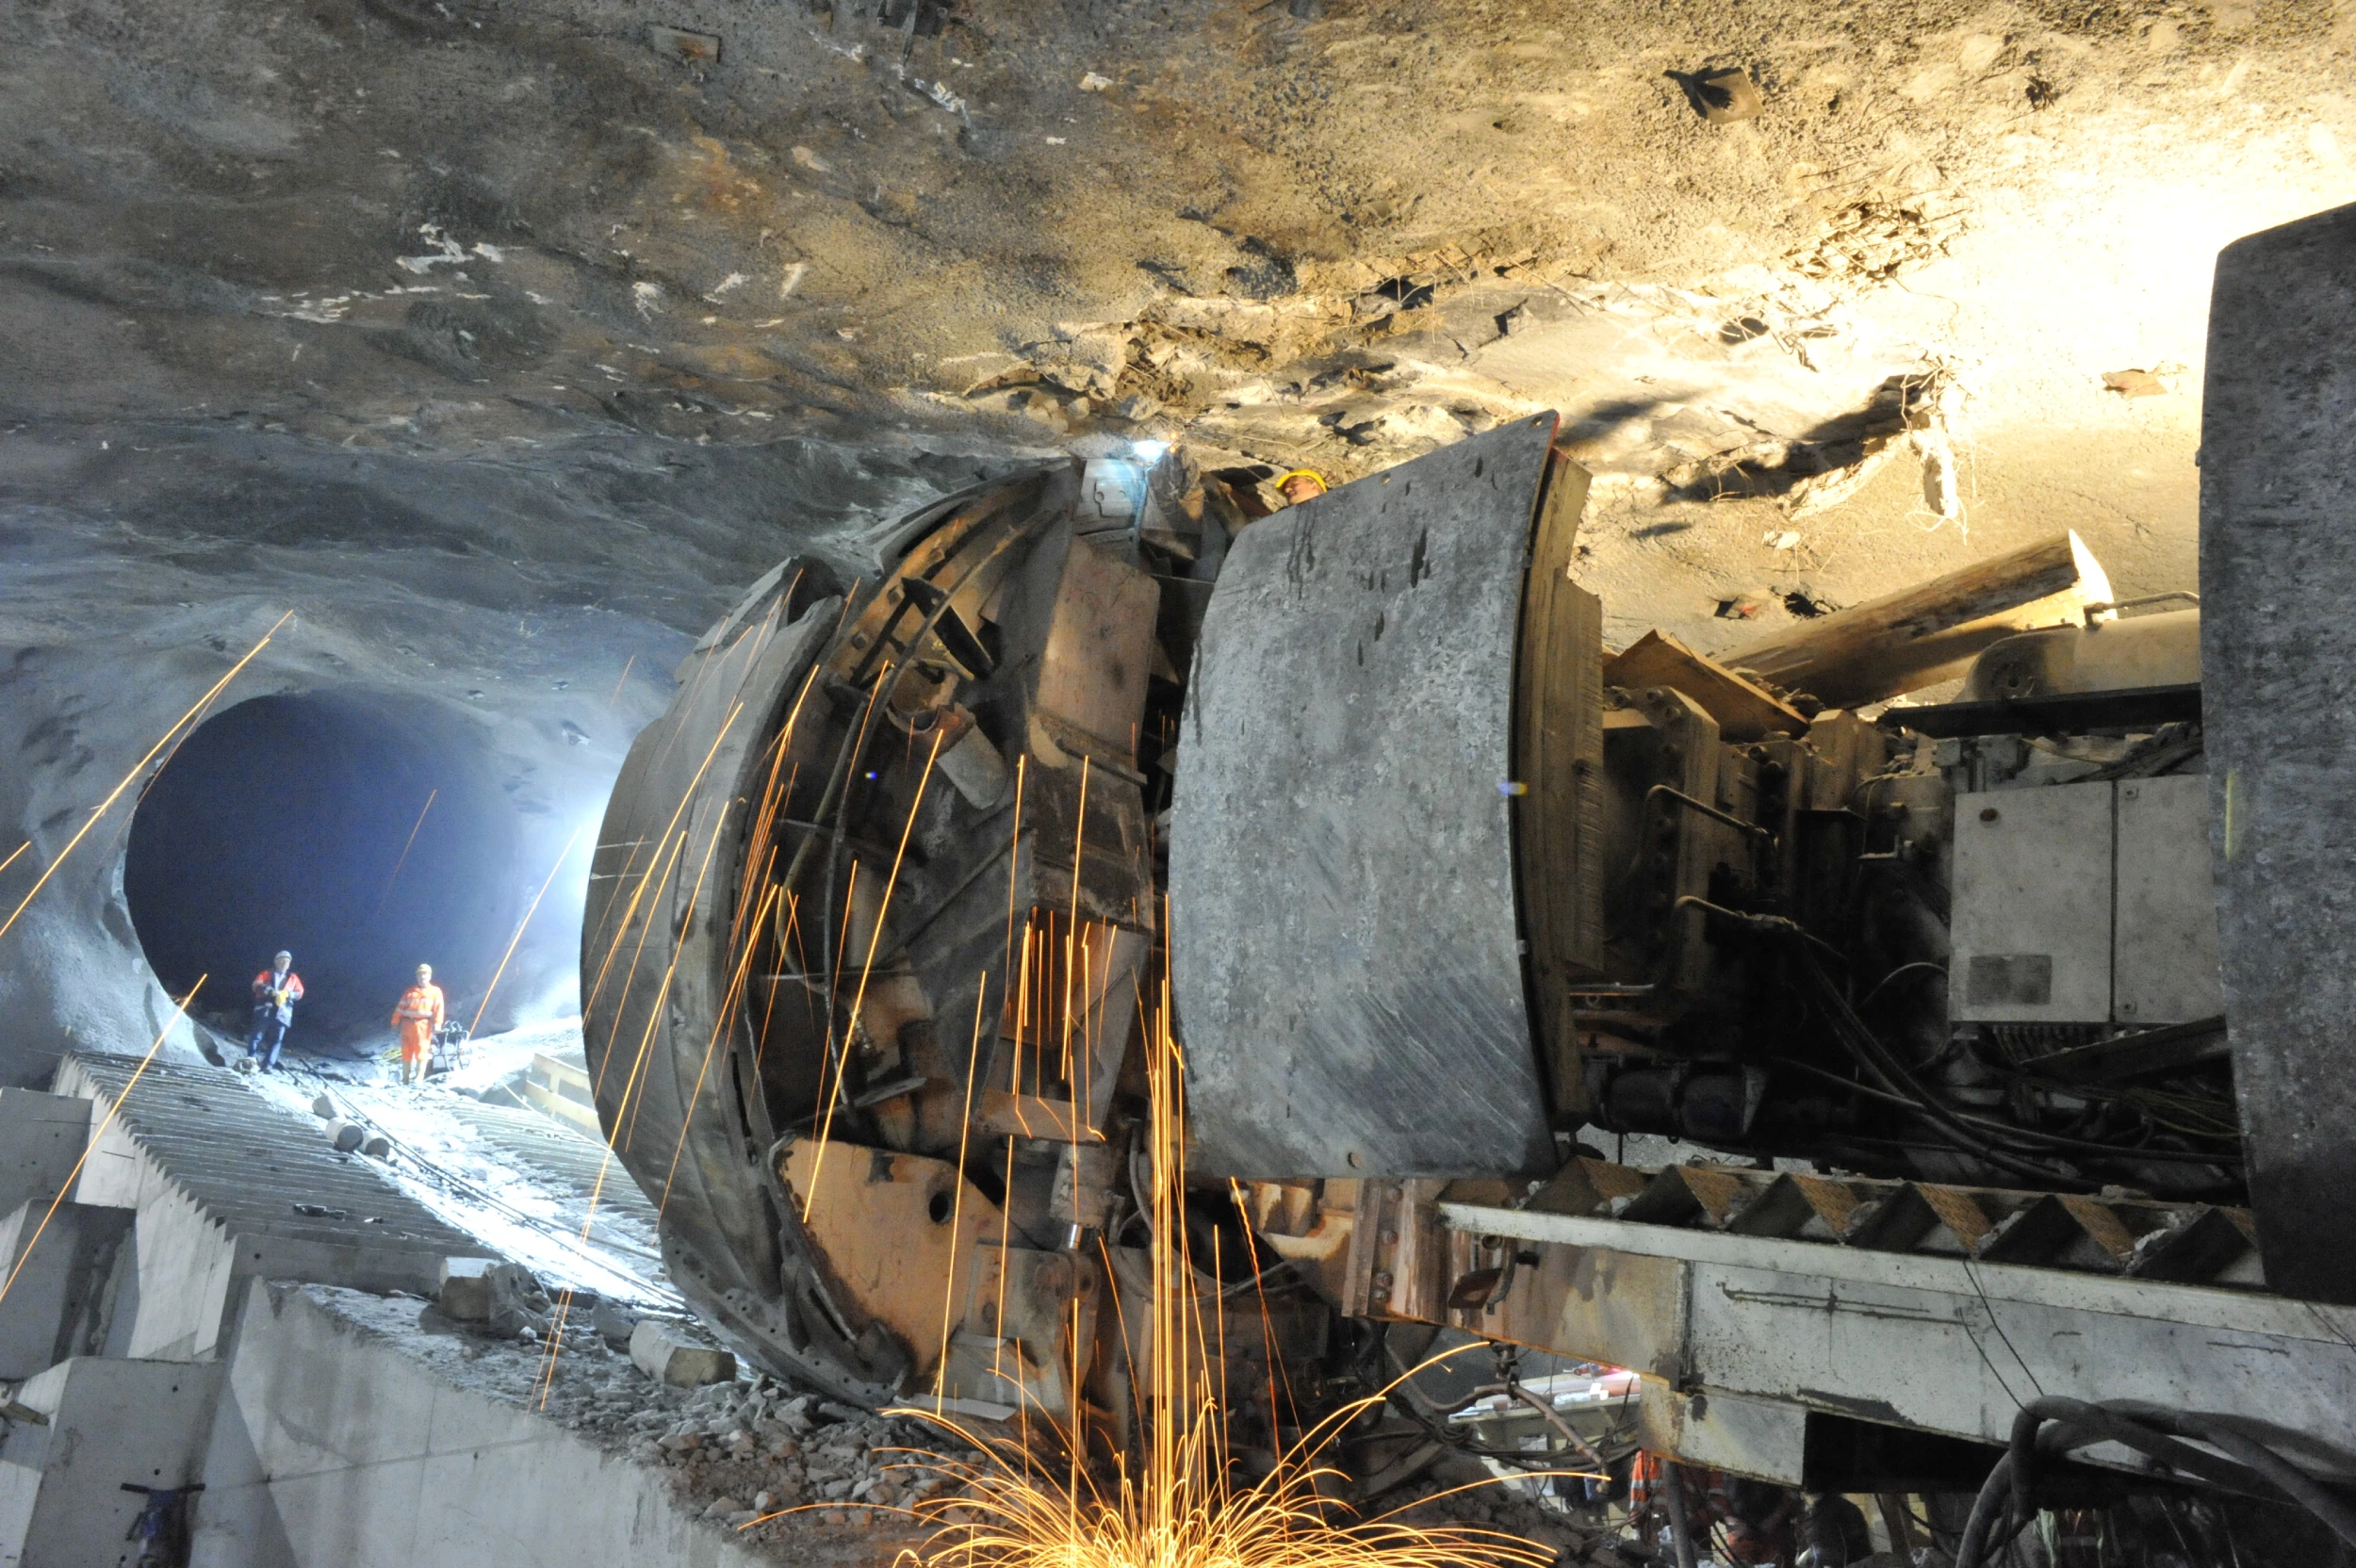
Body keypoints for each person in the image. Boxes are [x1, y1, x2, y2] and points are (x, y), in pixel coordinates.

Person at [246, 951, 304, 1071]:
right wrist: (270, 991)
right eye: (282, 960)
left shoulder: (293, 978)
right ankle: (251, 1059)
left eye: (287, 961)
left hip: (282, 1013)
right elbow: (257, 985)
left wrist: (288, 994)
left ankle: (268, 1065)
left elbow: (299, 992)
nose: (285, 963)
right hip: (265, 1010)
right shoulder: (266, 974)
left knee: (276, 1040)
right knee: (257, 1035)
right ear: (276, 961)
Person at [390, 964, 447, 1086]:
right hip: (407, 1024)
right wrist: (395, 1022)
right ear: (417, 976)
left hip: (423, 1025)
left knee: (422, 1051)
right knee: (406, 1051)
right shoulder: (410, 992)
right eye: (420, 974)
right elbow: (400, 1008)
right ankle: (405, 1080)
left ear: (430, 976)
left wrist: (437, 1024)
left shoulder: (435, 991)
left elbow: (439, 1009)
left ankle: (418, 1079)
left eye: (425, 974)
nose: (422, 977)